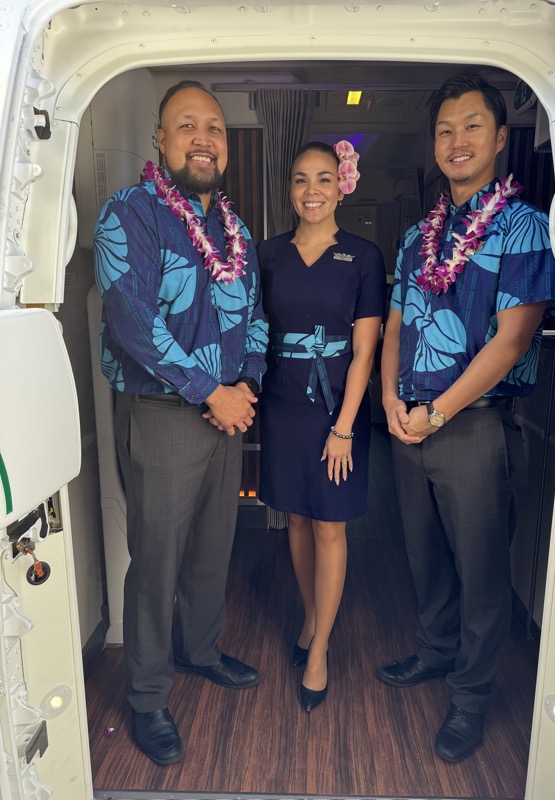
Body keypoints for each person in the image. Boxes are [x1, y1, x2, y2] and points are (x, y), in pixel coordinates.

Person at [377, 74, 555, 762]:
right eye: (446, 130)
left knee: (481, 570)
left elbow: (511, 341)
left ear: (499, 137)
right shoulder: (417, 235)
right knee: (422, 554)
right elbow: (396, 324)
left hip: (473, 427)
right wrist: (394, 403)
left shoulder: (524, 227)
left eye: (472, 127)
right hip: (409, 423)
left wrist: (435, 413)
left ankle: (471, 697)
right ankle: (433, 651)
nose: (458, 141)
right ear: (434, 143)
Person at [93, 80, 268, 766]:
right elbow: (130, 320)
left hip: (227, 410)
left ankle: (199, 652)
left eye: (215, 128)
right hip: (164, 411)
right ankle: (146, 695)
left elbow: (255, 315)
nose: (204, 138)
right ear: (161, 141)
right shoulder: (128, 213)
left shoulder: (237, 228)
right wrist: (210, 390)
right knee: (158, 559)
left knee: (210, 546)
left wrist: (245, 384)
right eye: (187, 126)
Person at [258, 140, 387, 711]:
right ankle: (311, 617)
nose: (312, 191)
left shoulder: (363, 256)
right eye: (301, 180)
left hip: (339, 409)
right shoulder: (268, 254)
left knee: (329, 525)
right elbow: (253, 332)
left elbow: (365, 353)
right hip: (283, 405)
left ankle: (320, 650)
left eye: (324, 180)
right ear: (290, 188)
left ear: (343, 185)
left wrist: (343, 428)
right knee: (296, 520)